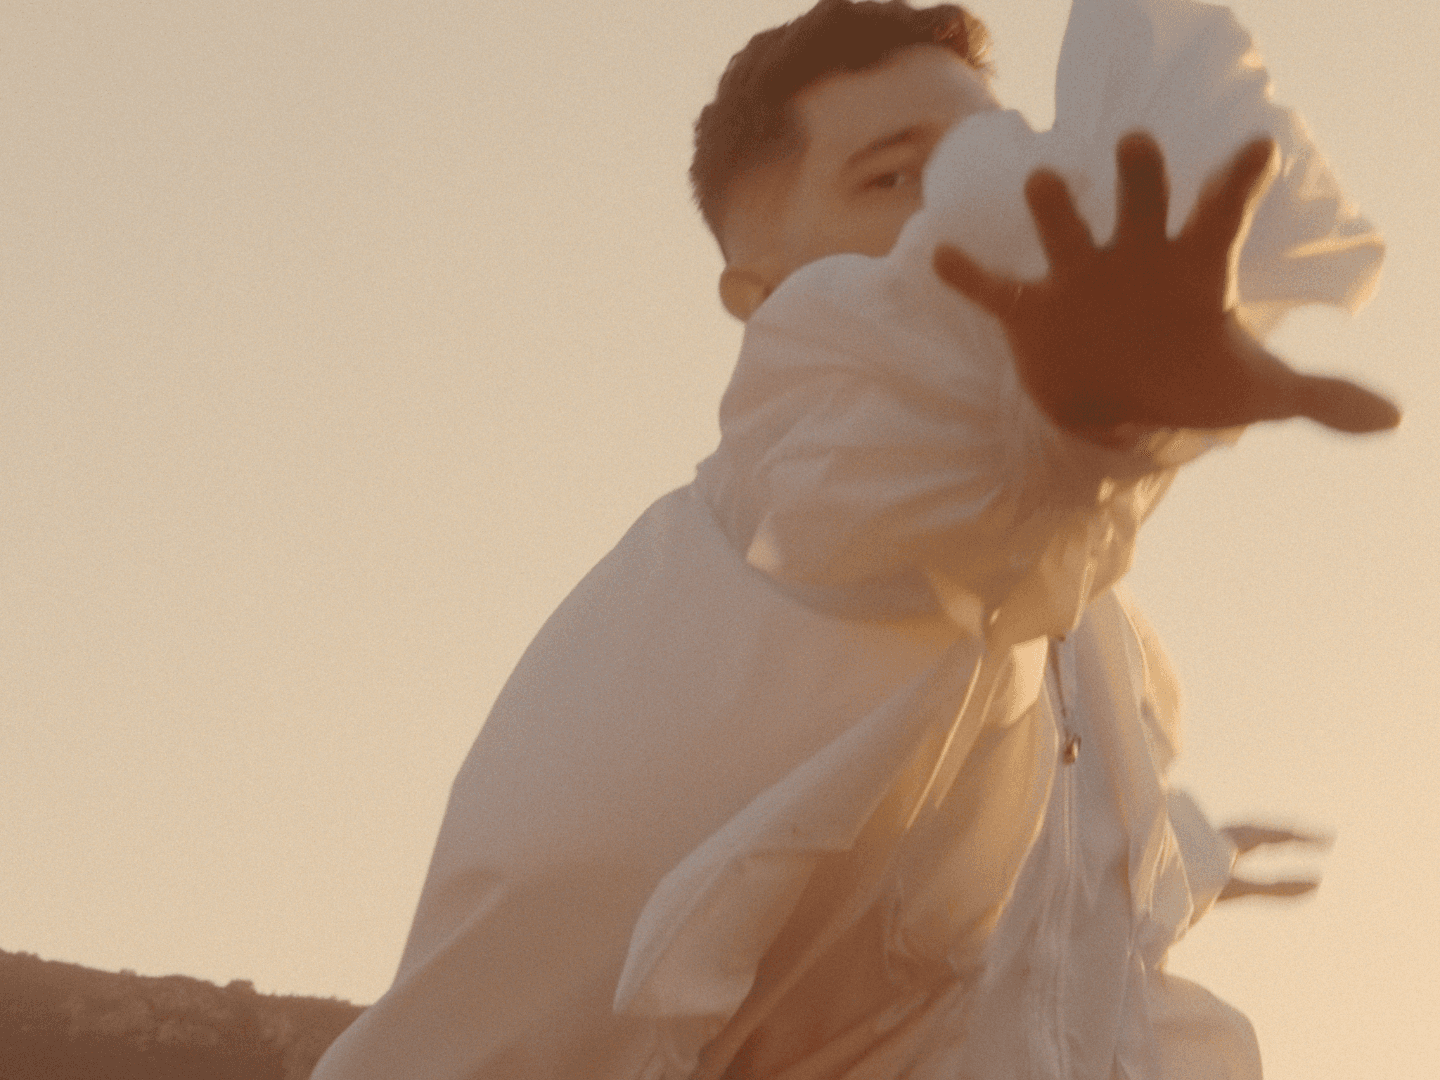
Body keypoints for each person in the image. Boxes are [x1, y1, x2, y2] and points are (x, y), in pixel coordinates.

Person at [311, 1, 1397, 1077]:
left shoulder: (1079, 611)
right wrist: (1088, 419)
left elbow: (1018, 878)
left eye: (991, 151)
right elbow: (900, 481)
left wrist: (1188, 854)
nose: (974, 199)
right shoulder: (790, 510)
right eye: (895, 177)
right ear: (764, 295)